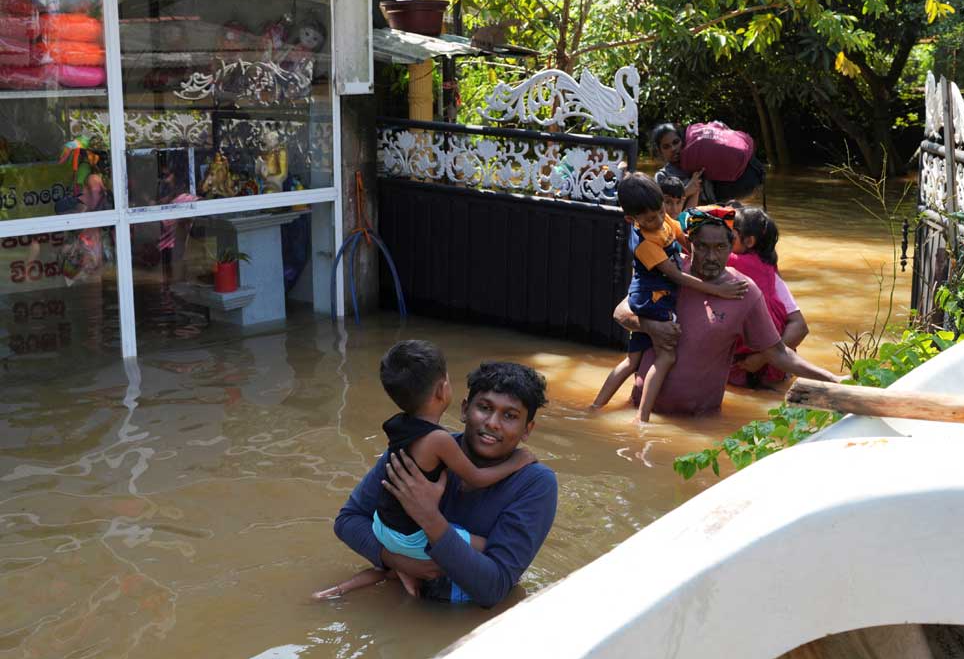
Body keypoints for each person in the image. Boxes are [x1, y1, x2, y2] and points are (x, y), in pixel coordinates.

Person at [314, 341, 537, 599]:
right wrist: (400, 558)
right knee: (487, 547)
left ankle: (343, 589)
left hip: (397, 557)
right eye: (484, 408)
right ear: (462, 407)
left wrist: (400, 552)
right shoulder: (431, 446)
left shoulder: (405, 439)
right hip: (419, 580)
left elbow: (494, 587)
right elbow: (347, 521)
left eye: (509, 416)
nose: (493, 423)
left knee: (386, 573)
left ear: (527, 429)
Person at [614, 209, 843, 416]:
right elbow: (620, 312)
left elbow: (779, 353)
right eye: (702, 246)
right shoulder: (669, 272)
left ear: (731, 246)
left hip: (699, 423)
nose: (711, 257)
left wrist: (833, 380)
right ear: (690, 243)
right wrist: (650, 325)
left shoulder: (745, 292)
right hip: (638, 413)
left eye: (720, 248)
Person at [591, 174, 748, 423]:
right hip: (653, 298)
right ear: (631, 219)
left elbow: (683, 238)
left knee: (632, 360)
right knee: (667, 357)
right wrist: (718, 290)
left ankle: (595, 406)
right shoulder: (644, 244)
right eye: (649, 218)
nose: (657, 219)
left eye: (660, 210)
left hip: (644, 294)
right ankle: (642, 418)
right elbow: (677, 276)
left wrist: (701, 250)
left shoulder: (661, 218)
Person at [727, 206, 810, 388]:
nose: (725, 239)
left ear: (749, 241)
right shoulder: (769, 267)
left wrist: (761, 357)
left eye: (730, 234)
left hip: (748, 362)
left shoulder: (733, 261)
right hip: (778, 367)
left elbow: (800, 327)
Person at [651, 123, 712, 208]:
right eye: (666, 147)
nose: (673, 148)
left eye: (676, 142)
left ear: (683, 141)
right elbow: (662, 211)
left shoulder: (700, 165)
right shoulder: (662, 176)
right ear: (660, 151)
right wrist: (686, 191)